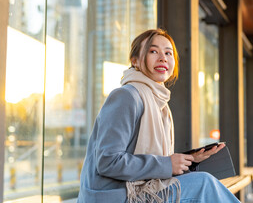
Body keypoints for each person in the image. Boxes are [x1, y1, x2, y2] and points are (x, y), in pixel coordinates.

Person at [77, 29, 240, 203]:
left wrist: (190, 161)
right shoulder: (127, 96)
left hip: (140, 192)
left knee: (203, 181)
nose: (162, 57)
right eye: (153, 51)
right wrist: (168, 164)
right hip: (117, 196)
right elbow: (108, 161)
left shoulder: (160, 105)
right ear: (135, 61)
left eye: (168, 53)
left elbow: (155, 167)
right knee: (203, 184)